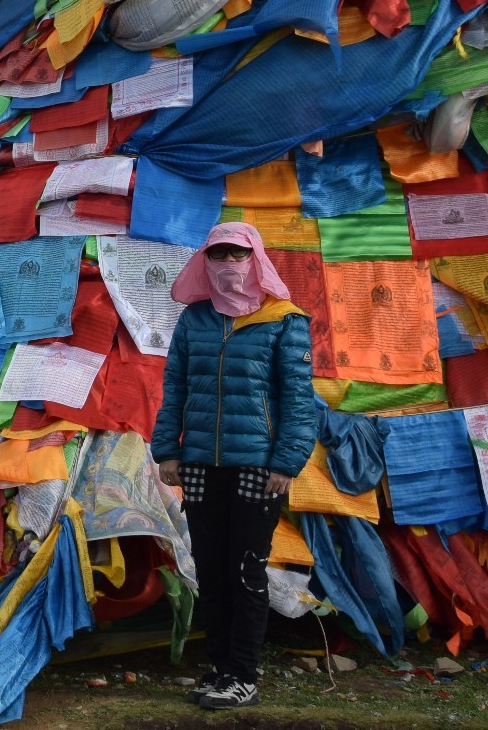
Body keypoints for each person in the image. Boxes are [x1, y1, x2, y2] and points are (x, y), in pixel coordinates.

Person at [149, 221, 316, 711]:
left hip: (258, 468)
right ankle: (220, 668)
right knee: (211, 570)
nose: (227, 265)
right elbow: (174, 388)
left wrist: (287, 461)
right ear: (206, 260)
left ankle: (243, 674)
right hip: (201, 465)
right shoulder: (194, 319)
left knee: (246, 570)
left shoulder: (285, 320)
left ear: (255, 258)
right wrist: (167, 450)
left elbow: (299, 402)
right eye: (217, 255)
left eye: (236, 255)